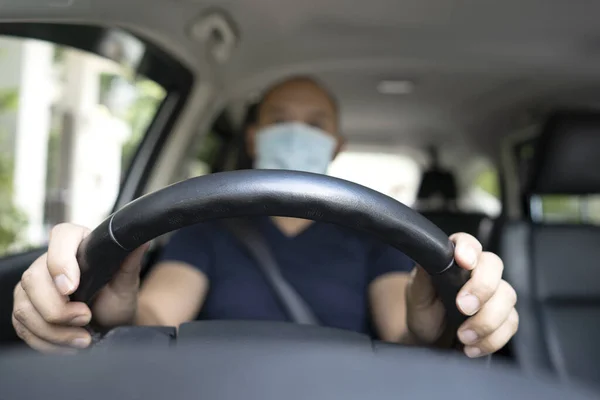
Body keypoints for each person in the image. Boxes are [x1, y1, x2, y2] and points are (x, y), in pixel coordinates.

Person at [12, 76, 518, 358]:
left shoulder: (382, 231)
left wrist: (443, 320)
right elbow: (157, 316)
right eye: (279, 120)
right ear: (253, 137)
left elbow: (403, 331)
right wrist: (107, 308)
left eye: (316, 124)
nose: (297, 132)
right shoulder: (205, 224)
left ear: (336, 146)